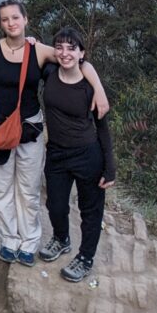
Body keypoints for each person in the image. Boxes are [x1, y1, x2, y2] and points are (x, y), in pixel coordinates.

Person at [0, 0, 108, 268]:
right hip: (0, 130)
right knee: (1, 188)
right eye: (5, 19)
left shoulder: (38, 50)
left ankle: (29, 241)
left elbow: (77, 59)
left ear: (25, 19)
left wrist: (98, 89)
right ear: (0, 23)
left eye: (15, 17)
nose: (11, 23)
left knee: (28, 190)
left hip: (30, 128)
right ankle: (9, 240)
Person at [38, 26, 116, 283]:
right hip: (56, 153)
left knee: (90, 210)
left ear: (82, 53)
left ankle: (85, 257)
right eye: (59, 47)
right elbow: (28, 51)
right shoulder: (49, 72)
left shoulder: (89, 88)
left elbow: (102, 128)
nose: (64, 53)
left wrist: (110, 168)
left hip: (87, 154)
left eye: (72, 48)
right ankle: (61, 239)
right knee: (55, 204)